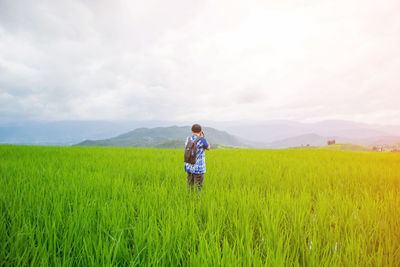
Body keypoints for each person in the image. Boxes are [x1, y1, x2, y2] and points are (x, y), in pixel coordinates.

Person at [185, 124, 210, 192]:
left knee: (190, 187)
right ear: (201, 131)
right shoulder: (202, 140)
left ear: (192, 131)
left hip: (189, 167)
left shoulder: (188, 139)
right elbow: (208, 148)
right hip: (198, 168)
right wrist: (202, 137)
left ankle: (189, 200)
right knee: (198, 188)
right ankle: (197, 202)